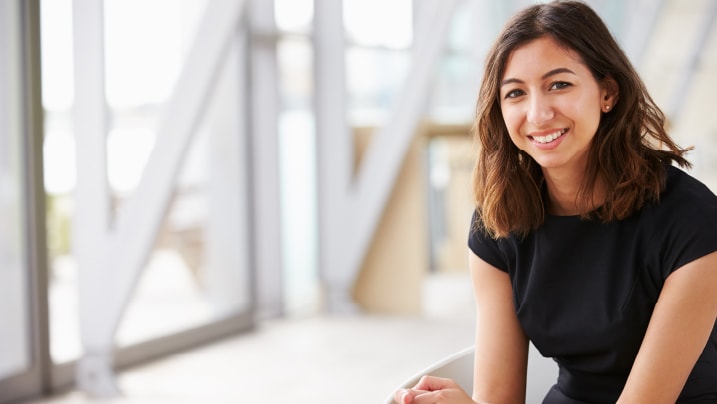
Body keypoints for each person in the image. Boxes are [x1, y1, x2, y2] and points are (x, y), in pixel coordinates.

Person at [394, 1, 717, 403]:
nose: (538, 113)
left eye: (559, 84)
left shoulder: (692, 219)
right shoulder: (498, 221)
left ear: (608, 93)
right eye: (515, 93)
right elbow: (498, 398)